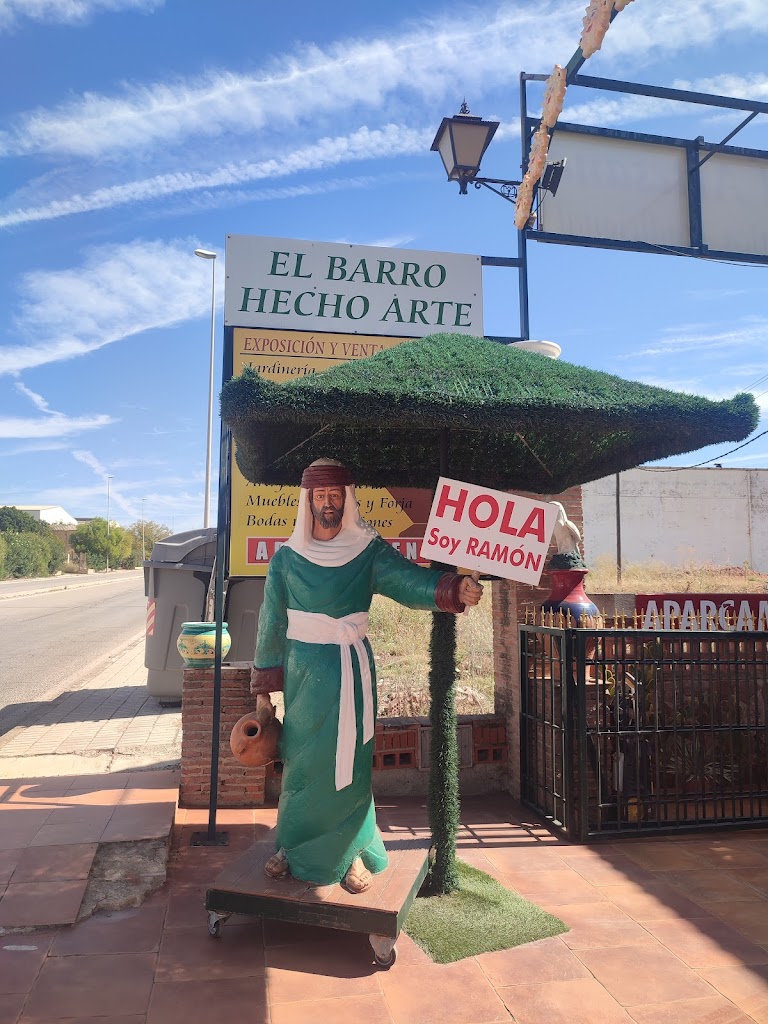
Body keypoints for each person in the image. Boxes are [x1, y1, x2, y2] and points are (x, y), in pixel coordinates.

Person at [251, 458, 483, 894]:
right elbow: (270, 622)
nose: (328, 504)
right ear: (308, 501)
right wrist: (265, 694)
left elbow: (410, 582)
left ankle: (351, 850)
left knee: (352, 761)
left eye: (335, 496)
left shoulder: (368, 551)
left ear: (348, 499)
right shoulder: (286, 560)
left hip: (352, 670)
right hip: (304, 676)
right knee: (301, 762)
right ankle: (293, 844)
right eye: (320, 496)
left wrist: (454, 588)